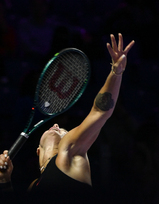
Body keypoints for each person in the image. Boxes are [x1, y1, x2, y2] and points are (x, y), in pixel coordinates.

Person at [0, 33, 135, 194]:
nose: (57, 125)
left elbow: (100, 111)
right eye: (60, 129)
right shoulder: (33, 187)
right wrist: (5, 180)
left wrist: (116, 72)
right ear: (37, 151)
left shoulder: (69, 151)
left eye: (64, 131)